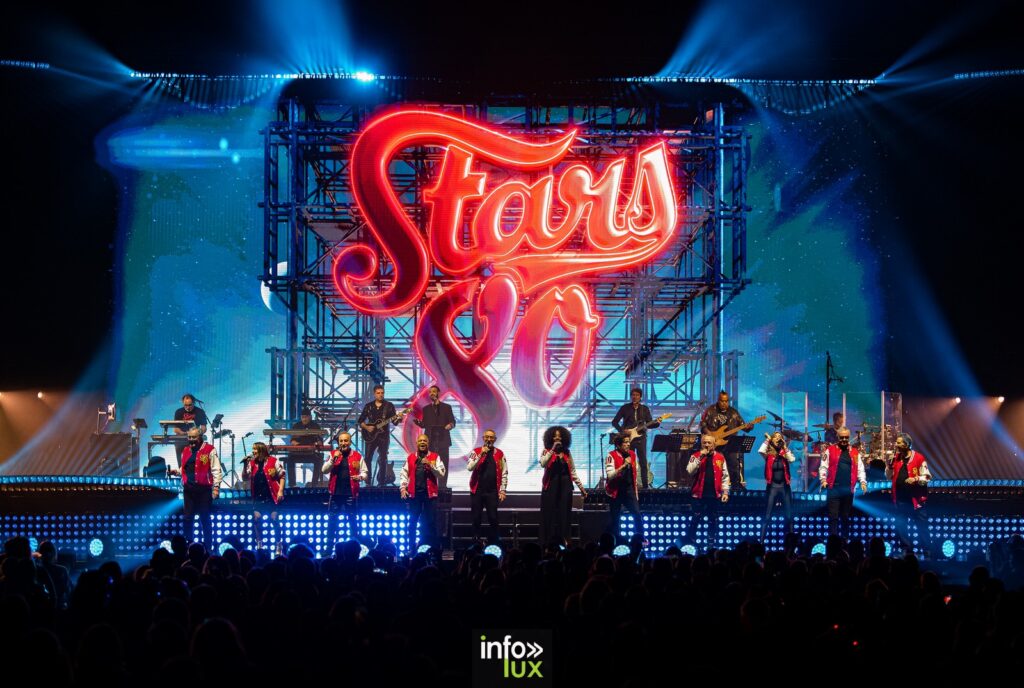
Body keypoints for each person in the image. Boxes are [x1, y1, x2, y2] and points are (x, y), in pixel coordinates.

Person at [168, 428, 222, 549]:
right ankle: (189, 545)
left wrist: (216, 487)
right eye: (189, 437)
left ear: (200, 437)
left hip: (204, 490)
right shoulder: (186, 450)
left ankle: (208, 547)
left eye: (194, 437)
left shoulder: (209, 450)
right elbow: (185, 467)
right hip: (189, 490)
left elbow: (216, 469)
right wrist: (176, 472)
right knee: (188, 518)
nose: (191, 440)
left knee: (205, 518)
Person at [539, 426, 587, 546]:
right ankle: (547, 543)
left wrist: (581, 488)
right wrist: (552, 450)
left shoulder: (567, 453)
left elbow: (573, 471)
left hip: (565, 486)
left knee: (565, 515)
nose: (557, 438)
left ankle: (565, 542)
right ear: (550, 438)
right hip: (550, 486)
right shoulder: (546, 451)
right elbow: (543, 463)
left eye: (560, 436)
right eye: (555, 436)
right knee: (548, 515)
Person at [886, 432, 932, 556]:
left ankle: (927, 550)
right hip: (901, 499)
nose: (896, 445)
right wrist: (889, 466)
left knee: (921, 526)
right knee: (901, 525)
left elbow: (927, 477)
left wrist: (915, 479)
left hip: (916, 500)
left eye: (899, 443)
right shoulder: (896, 458)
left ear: (906, 445)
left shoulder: (918, 458)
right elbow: (888, 476)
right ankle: (906, 549)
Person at [321, 432, 368, 551]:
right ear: (338, 443)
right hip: (336, 494)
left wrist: (360, 477)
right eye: (341, 441)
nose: (343, 443)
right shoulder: (333, 454)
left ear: (350, 442)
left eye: (346, 440)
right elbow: (324, 470)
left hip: (350, 494)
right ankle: (329, 547)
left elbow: (365, 472)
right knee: (332, 521)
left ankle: (355, 548)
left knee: (352, 520)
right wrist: (333, 459)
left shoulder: (357, 456)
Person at [818, 426, 868, 540]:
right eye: (842, 437)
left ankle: (845, 541)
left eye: (846, 437)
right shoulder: (830, 450)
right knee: (833, 517)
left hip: (847, 490)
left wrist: (863, 482)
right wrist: (823, 480)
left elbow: (860, 469)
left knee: (845, 517)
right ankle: (833, 542)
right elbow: (823, 466)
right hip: (834, 489)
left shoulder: (854, 452)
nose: (844, 439)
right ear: (838, 437)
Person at [399, 433, 446, 552]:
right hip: (415, 495)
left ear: (428, 443)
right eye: (420, 441)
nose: (422, 443)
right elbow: (404, 474)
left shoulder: (435, 457)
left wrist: (430, 465)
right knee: (412, 522)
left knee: (430, 521)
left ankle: (433, 549)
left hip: (430, 495)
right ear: (417, 443)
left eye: (425, 441)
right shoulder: (410, 457)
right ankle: (412, 548)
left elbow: (441, 473)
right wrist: (403, 488)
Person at [700, 391, 754, 489]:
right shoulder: (711, 410)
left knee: (734, 466)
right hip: (714, 445)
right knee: (714, 467)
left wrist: (749, 427)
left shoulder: (733, 413)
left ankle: (735, 487)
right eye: (722, 401)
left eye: (726, 401)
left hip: (729, 444)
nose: (724, 403)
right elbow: (703, 425)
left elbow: (743, 427)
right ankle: (712, 487)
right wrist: (710, 435)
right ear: (718, 400)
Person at [686, 434, 730, 550]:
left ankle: (711, 544)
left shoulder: (720, 457)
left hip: (714, 494)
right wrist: (700, 457)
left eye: (709, 443)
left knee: (713, 519)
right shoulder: (695, 456)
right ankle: (690, 541)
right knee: (695, 518)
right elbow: (690, 471)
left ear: (714, 445)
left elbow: (725, 476)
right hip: (698, 494)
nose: (706, 445)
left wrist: (725, 492)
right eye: (704, 442)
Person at [611, 387, 660, 489]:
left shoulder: (644, 409)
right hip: (628, 440)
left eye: (637, 395)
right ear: (631, 396)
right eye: (633, 395)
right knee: (628, 462)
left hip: (641, 438)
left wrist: (657, 423)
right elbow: (614, 422)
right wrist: (622, 431)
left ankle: (645, 486)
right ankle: (628, 485)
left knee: (643, 462)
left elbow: (649, 424)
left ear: (640, 397)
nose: (635, 397)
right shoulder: (625, 408)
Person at [242, 442, 285, 553]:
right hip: (258, 497)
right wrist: (245, 464)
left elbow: (282, 476)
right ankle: (260, 544)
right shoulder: (252, 463)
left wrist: (280, 491)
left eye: (255, 449)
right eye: (253, 449)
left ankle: (279, 544)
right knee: (256, 520)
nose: (253, 452)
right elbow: (245, 477)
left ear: (261, 450)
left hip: (271, 496)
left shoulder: (273, 461)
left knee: (274, 519)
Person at [466, 429, 507, 544]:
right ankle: (476, 541)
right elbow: (469, 467)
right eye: (487, 437)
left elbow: (504, 472)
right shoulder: (476, 451)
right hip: (477, 490)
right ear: (483, 438)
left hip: (492, 491)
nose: (489, 439)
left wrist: (503, 490)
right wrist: (481, 454)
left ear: (495, 439)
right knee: (476, 517)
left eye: (491, 437)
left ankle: (494, 541)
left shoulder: (500, 453)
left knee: (493, 517)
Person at [412, 385, 456, 489]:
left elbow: (453, 422)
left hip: (443, 439)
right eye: (430, 392)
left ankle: (443, 487)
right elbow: (425, 424)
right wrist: (419, 423)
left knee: (443, 464)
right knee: (430, 463)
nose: (432, 393)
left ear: (438, 393)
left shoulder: (446, 407)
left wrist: (450, 425)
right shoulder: (426, 409)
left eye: (434, 391)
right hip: (430, 440)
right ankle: (431, 487)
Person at [605, 433, 645, 543]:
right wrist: (623, 466)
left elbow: (635, 471)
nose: (628, 444)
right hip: (615, 490)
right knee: (615, 519)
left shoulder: (632, 454)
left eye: (629, 442)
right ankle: (615, 542)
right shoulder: (611, 455)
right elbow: (610, 475)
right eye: (625, 442)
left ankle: (640, 540)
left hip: (629, 490)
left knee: (637, 514)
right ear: (618, 445)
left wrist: (636, 488)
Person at [358, 385, 400, 487]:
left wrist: (399, 419)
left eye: (382, 393)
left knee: (383, 458)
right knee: (368, 458)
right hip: (370, 436)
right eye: (378, 393)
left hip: (383, 436)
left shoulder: (389, 406)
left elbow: (394, 422)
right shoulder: (368, 406)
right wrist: (367, 427)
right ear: (374, 394)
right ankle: (368, 482)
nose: (381, 395)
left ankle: (381, 482)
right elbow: (360, 421)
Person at [758, 432, 796, 543]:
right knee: (767, 516)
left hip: (784, 487)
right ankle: (761, 542)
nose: (778, 439)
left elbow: (792, 459)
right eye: (776, 437)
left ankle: (791, 543)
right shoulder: (768, 455)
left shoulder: (784, 454)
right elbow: (760, 450)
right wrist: (768, 439)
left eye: (780, 437)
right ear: (772, 440)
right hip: (772, 488)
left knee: (789, 516)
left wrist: (784, 447)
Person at [289, 408, 324, 486]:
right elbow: (292, 440)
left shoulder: (315, 426)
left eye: (306, 417)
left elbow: (320, 440)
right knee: (290, 459)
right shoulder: (296, 426)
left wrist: (317, 444)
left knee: (319, 460)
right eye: (302, 417)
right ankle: (292, 485)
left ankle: (314, 485)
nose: (304, 419)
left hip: (311, 452)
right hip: (298, 453)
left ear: (310, 417)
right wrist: (296, 445)